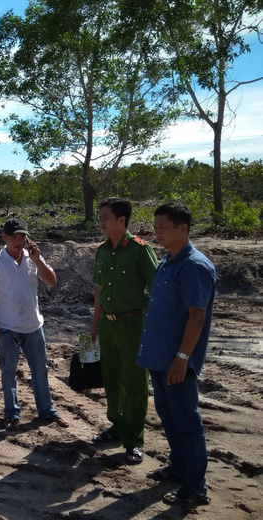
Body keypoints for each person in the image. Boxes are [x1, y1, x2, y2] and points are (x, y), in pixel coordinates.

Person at [137, 202, 215, 506]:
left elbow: (196, 316)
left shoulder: (194, 266)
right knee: (169, 417)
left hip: (176, 361)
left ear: (182, 228)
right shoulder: (168, 260)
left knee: (187, 421)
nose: (157, 233)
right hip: (158, 357)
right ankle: (180, 467)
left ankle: (196, 486)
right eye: (155, 227)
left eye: (163, 228)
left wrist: (182, 358)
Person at [0, 217, 68, 430]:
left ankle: (47, 411)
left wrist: (37, 260)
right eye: (14, 237)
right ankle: (12, 413)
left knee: (40, 369)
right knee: (9, 370)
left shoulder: (33, 258)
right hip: (6, 326)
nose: (18, 241)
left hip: (33, 324)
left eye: (22, 236)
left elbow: (51, 281)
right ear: (4, 237)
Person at [90, 198, 159, 465]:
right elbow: (99, 292)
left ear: (122, 220)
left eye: (106, 217)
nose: (101, 221)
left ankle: (133, 440)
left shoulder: (141, 250)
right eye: (100, 217)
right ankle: (117, 427)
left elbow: (157, 291)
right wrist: (95, 326)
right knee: (112, 380)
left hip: (133, 325)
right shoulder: (102, 251)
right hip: (108, 324)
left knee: (134, 383)